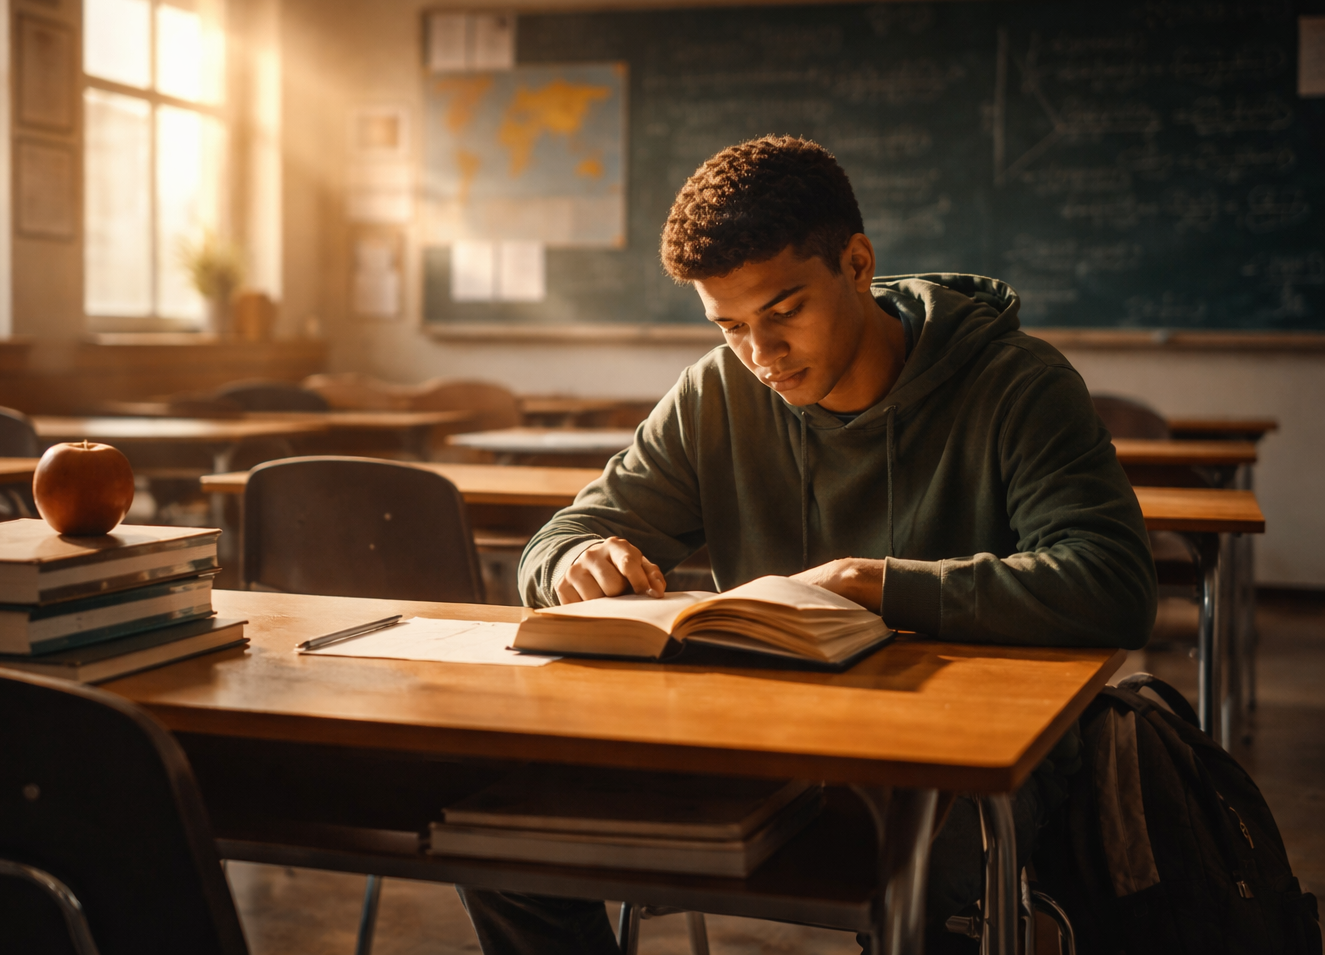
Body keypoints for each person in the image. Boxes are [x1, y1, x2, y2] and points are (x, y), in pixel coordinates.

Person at [457, 136, 1157, 953]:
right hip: (761, 738)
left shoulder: (1018, 385)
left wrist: (879, 583)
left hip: (960, 767)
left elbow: (1114, 583)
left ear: (857, 265)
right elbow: (563, 536)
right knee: (499, 837)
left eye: (784, 313)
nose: (760, 355)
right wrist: (573, 564)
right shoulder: (715, 394)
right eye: (730, 326)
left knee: (924, 869)